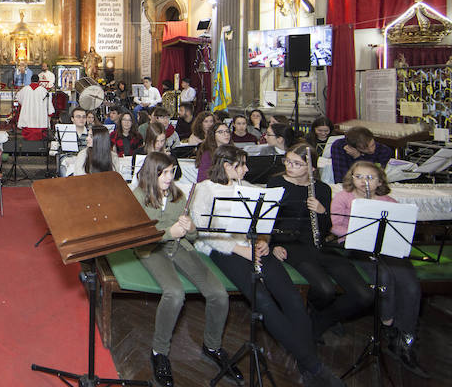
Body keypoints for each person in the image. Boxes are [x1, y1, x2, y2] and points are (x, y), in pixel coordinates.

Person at [191, 146, 345, 387]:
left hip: (254, 247)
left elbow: (267, 223)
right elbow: (202, 230)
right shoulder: (204, 189)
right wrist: (240, 249)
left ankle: (308, 367)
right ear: (227, 166)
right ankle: (315, 368)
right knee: (262, 301)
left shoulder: (250, 188)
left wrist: (264, 241)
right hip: (225, 249)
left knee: (293, 299)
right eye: (242, 164)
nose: (247, 169)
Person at [133, 153, 243, 387]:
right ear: (152, 172)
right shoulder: (138, 196)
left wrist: (191, 227)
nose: (168, 177)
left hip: (179, 247)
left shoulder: (178, 194)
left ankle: (212, 345)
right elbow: (139, 240)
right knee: (175, 293)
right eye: (163, 173)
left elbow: (192, 235)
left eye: (171, 172)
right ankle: (159, 352)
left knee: (218, 294)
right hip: (151, 250)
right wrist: (168, 233)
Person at [268, 144, 373, 344]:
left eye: (297, 164)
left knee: (365, 295)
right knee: (325, 290)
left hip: (319, 245)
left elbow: (326, 229)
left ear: (311, 168)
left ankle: (321, 319)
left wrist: (322, 211)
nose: (290, 166)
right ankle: (316, 319)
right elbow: (268, 220)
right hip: (291, 245)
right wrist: (273, 246)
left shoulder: (321, 189)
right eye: (288, 161)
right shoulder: (276, 183)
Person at [330, 161, 426, 377]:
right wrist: (354, 233)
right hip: (358, 247)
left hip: (388, 248)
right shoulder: (344, 197)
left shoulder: (388, 201)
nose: (364, 181)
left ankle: (405, 338)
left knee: (409, 285)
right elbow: (335, 224)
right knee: (383, 277)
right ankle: (388, 323)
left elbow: (401, 227)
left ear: (380, 181)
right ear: (351, 177)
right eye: (359, 176)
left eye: (370, 178)